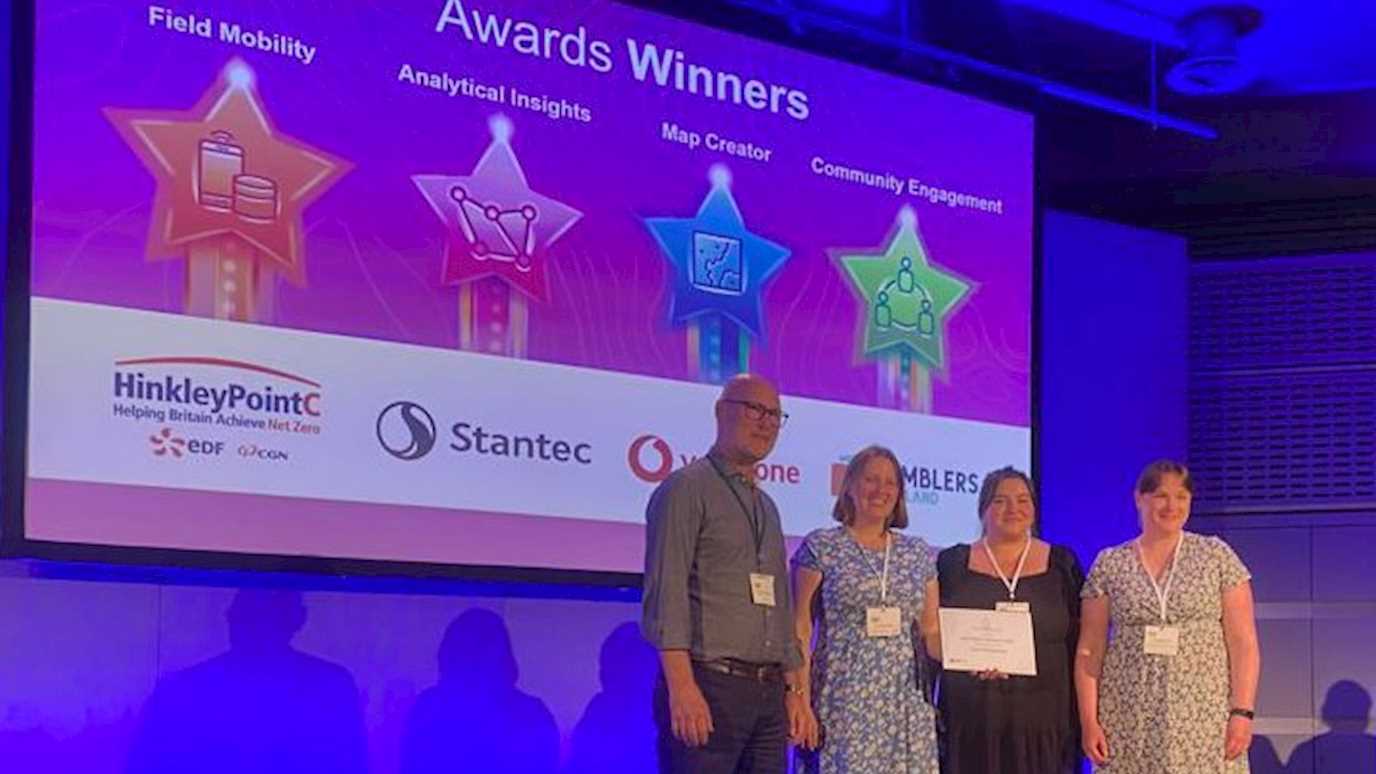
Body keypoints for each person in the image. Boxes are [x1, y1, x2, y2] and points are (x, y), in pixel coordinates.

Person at [641, 374, 805, 774]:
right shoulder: (686, 488)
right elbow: (667, 592)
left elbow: (780, 605)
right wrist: (682, 687)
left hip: (768, 694)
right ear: (720, 411)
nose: (766, 422)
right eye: (754, 409)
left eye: (775, 415)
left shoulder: (766, 507)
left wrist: (793, 689)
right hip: (709, 685)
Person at [1075, 459, 1261, 773]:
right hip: (1128, 719)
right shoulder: (1110, 563)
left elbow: (1244, 642)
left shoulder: (1216, 556)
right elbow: (1089, 649)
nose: (1171, 506)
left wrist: (1242, 712)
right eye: (1161, 495)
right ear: (1139, 498)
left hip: (1204, 718)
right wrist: (1089, 721)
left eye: (1181, 497)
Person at [790, 445, 940, 773]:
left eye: (891, 482)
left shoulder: (918, 553)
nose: (881, 490)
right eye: (871, 479)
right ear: (850, 486)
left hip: (906, 704)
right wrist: (798, 697)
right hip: (842, 700)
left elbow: (931, 631)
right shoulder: (822, 547)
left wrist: (976, 657)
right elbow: (799, 628)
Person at [932, 467, 1084, 773]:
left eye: (1023, 500)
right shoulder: (952, 564)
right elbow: (932, 632)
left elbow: (1082, 638)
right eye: (1000, 500)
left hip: (1045, 718)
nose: (1013, 508)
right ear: (983, 509)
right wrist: (965, 657)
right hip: (973, 715)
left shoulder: (1062, 565)